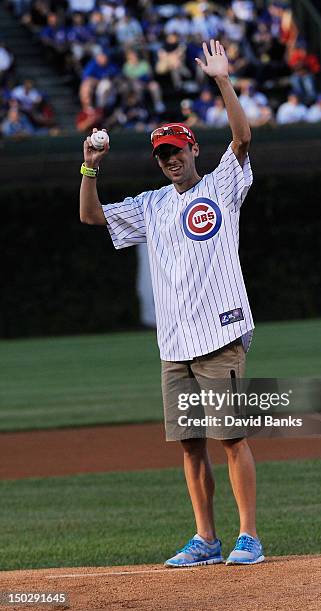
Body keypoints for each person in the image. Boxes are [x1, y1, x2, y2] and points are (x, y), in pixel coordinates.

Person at [79, 39, 264, 568]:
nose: (170, 159)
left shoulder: (223, 186)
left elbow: (243, 136)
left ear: (193, 150)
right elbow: (93, 218)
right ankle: (205, 538)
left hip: (220, 333)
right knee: (189, 445)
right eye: (162, 154)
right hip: (174, 342)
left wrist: (222, 80)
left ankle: (248, 535)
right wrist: (90, 166)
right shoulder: (152, 205)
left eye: (176, 150)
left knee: (230, 437)